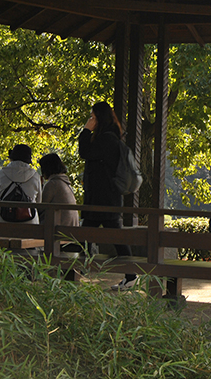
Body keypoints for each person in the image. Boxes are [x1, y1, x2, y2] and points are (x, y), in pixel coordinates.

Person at [78, 102, 137, 290]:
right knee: (102, 235)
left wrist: (86, 131)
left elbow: (84, 152)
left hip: (102, 199)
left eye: (93, 117)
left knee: (96, 235)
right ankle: (130, 275)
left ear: (99, 118)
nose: (90, 120)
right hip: (107, 198)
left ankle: (131, 275)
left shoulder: (106, 140)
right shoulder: (112, 138)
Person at [0, 144, 42, 224]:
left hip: (2, 221)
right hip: (29, 222)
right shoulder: (35, 176)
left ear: (12, 158)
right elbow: (39, 202)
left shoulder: (1, 174)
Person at [38, 153, 79, 228]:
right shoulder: (66, 183)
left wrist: (40, 186)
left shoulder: (52, 184)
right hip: (72, 229)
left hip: (58, 230)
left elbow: (40, 208)